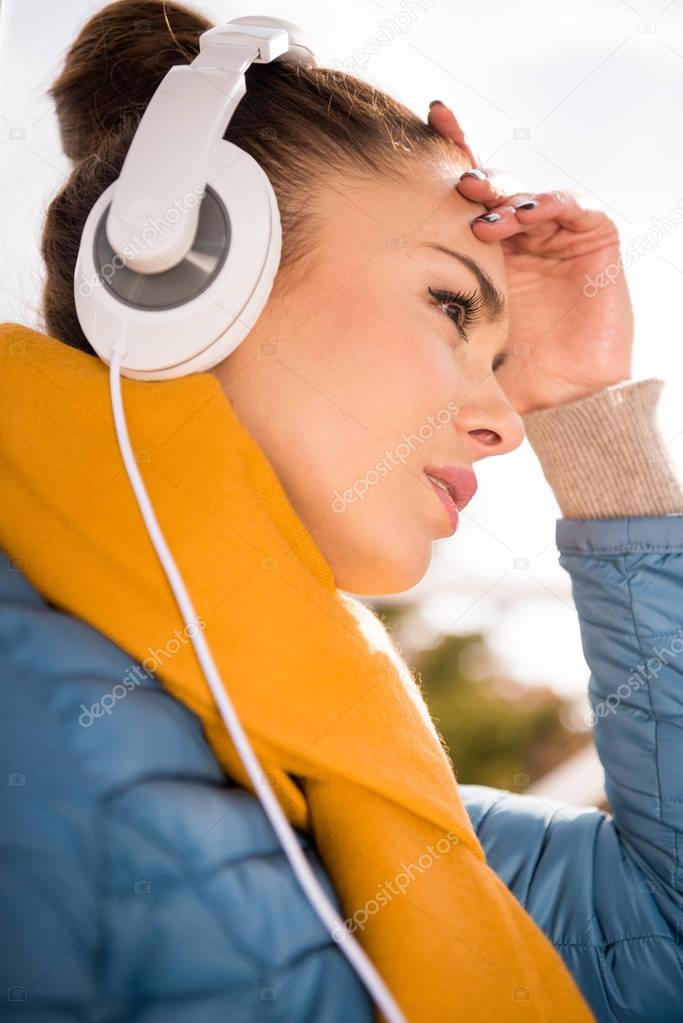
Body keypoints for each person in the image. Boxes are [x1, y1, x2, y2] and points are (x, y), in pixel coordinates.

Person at [1, 1, 681, 1020]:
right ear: (177, 276)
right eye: (451, 307)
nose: (504, 422)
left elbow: (663, 944)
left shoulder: (355, 791)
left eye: (499, 361)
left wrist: (589, 419)